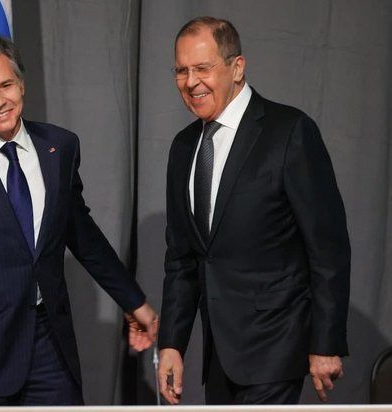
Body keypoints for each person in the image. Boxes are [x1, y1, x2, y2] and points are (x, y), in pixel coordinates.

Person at [0, 35, 158, 407]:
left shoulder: (60, 148)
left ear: (21, 84)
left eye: (6, 85)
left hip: (50, 348)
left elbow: (82, 235)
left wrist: (134, 301)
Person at [158, 16, 350, 405]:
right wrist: (172, 344)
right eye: (181, 70)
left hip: (277, 346)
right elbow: (182, 258)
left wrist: (325, 343)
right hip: (218, 356)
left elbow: (327, 247)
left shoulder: (289, 131)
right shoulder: (183, 147)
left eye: (202, 68)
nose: (191, 82)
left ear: (237, 67)